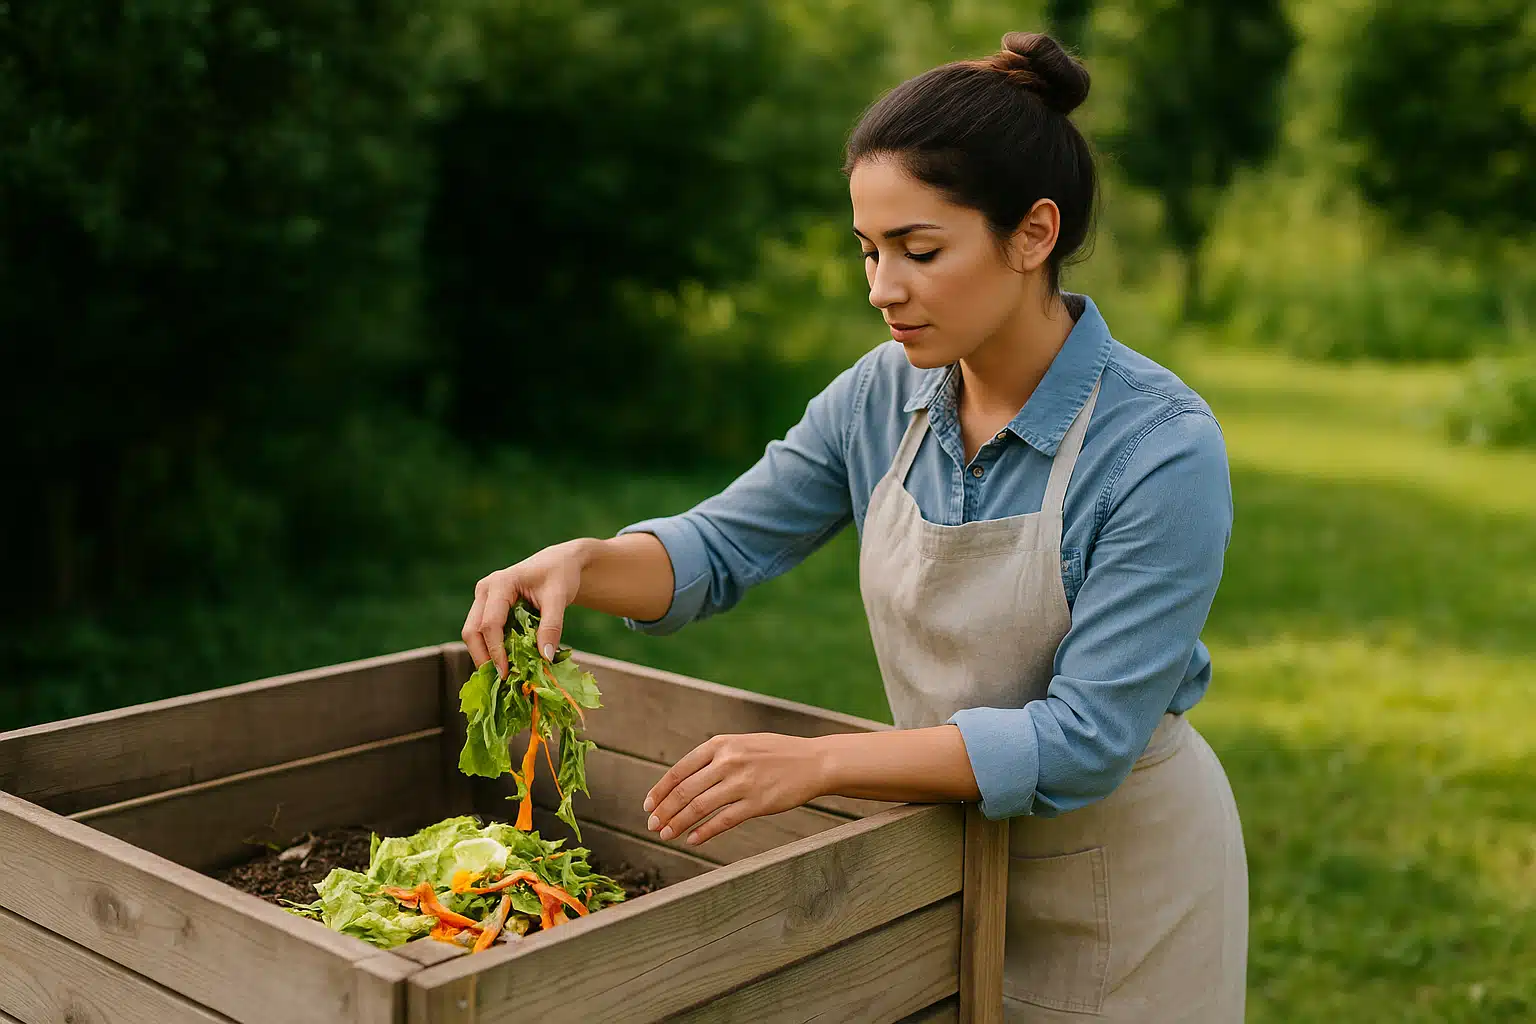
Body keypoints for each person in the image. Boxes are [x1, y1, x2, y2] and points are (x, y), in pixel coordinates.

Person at [462, 30, 1247, 1022]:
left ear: (1033, 234)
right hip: (936, 857)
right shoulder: (885, 395)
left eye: (920, 251)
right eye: (870, 251)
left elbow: (1084, 738)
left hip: (1124, 881)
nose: (882, 290)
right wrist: (579, 564)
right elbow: (723, 545)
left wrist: (823, 760)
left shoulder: (1157, 446)